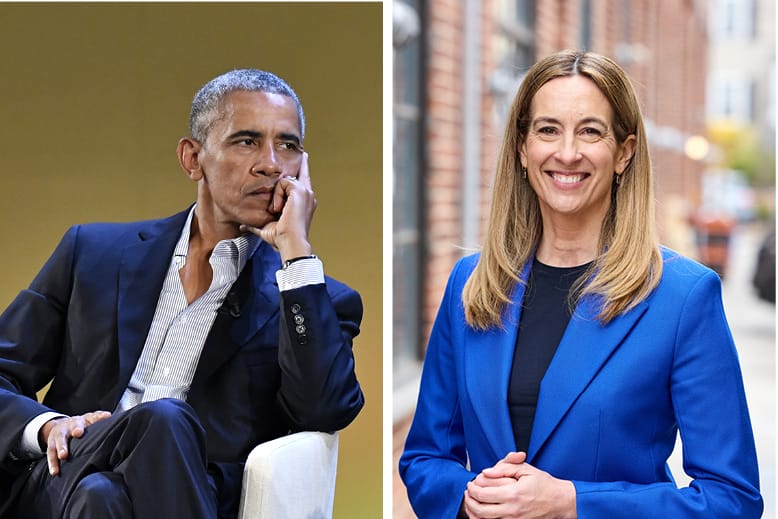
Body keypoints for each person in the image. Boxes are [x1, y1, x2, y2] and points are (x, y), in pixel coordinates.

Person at [399, 50, 762, 518]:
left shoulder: (682, 297)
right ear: (522, 148)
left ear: (624, 152)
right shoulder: (470, 284)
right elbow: (425, 459)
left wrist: (573, 504)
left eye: (590, 131)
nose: (566, 152)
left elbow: (732, 499)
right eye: (547, 129)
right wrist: (470, 498)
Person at [0, 69, 364, 518]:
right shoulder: (91, 254)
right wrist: (47, 426)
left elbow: (324, 412)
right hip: (57, 484)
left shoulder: (313, 297)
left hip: (187, 496)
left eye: (287, 145)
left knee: (107, 492)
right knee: (157, 424)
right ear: (193, 158)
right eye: (246, 141)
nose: (270, 163)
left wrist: (296, 254)